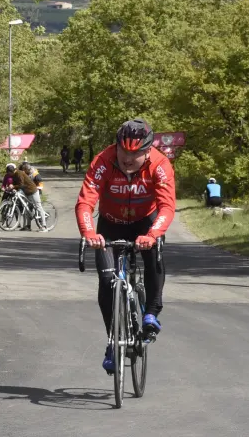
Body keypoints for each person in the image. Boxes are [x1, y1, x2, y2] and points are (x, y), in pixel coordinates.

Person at [75, 118, 175, 374]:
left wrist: (153, 234)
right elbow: (86, 202)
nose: (128, 158)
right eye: (123, 151)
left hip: (145, 221)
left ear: (147, 151)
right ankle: (113, 341)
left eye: (136, 153)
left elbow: (166, 206)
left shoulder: (160, 164)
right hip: (111, 224)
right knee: (107, 279)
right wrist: (88, 232)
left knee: (155, 253)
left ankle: (151, 313)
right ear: (116, 146)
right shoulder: (103, 161)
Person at [4, 162, 41, 230]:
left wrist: (13, 186)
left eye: (9, 173)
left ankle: (44, 226)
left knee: (38, 207)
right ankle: (27, 226)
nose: (8, 174)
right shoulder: (14, 175)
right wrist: (10, 188)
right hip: (26, 191)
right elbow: (15, 184)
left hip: (32, 191)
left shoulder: (19, 173)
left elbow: (21, 184)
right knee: (26, 207)